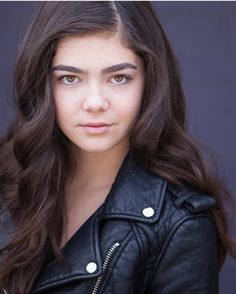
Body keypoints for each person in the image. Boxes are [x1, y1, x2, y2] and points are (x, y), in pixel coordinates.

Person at [0, 1, 235, 293]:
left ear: (150, 82)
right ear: (41, 83)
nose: (95, 102)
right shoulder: (8, 173)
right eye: (70, 78)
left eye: (119, 78)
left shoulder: (180, 225)